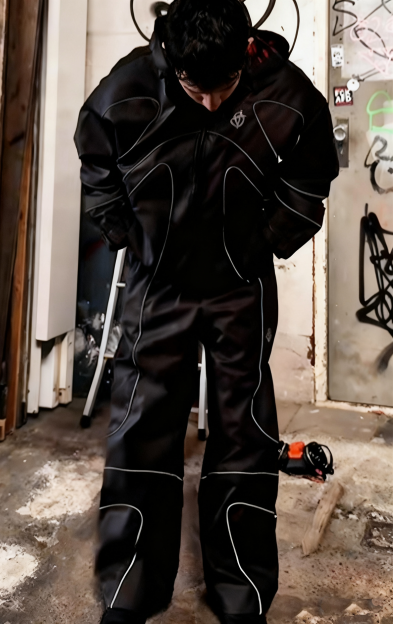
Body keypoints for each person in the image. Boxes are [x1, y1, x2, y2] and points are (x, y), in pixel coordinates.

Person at [74, 1, 339, 622]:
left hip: (239, 287)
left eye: (226, 87)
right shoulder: (128, 88)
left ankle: (240, 591)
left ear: (247, 51)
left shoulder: (287, 92)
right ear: (171, 58)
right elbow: (96, 165)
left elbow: (312, 175)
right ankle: (132, 589)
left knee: (244, 433)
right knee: (141, 429)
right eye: (197, 90)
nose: (213, 103)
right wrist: (127, 235)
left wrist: (270, 239)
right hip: (158, 287)